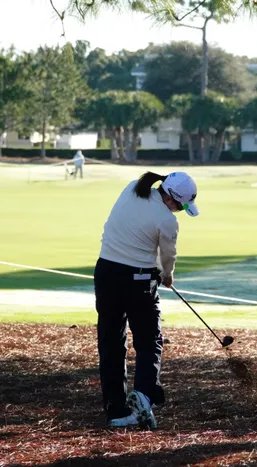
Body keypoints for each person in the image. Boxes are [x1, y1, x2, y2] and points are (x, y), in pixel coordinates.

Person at [93, 171, 199, 429]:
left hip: (105, 273)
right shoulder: (167, 220)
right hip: (138, 281)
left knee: (111, 341)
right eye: (181, 207)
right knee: (149, 340)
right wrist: (167, 276)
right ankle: (144, 395)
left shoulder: (132, 188)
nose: (178, 211)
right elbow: (168, 257)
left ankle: (116, 411)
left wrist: (160, 271)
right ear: (172, 200)